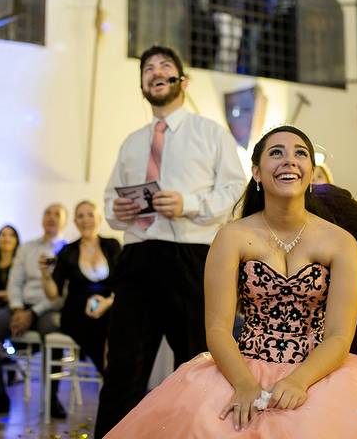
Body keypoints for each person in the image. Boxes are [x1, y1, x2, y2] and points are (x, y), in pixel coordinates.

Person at [103, 125, 357, 437]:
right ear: (257, 173)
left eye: (300, 153)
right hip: (242, 365)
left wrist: (299, 381)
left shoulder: (340, 242)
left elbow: (339, 335)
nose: (289, 159)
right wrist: (244, 384)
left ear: (310, 171)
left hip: (320, 371)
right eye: (276, 153)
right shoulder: (232, 236)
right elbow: (217, 328)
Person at [96, 45, 246, 436]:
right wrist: (118, 211)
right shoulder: (131, 142)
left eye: (165, 66)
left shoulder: (210, 133)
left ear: (183, 80)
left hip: (192, 257)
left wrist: (189, 202)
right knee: (124, 367)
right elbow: (110, 199)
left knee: (199, 361)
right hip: (138, 256)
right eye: (147, 68)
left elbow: (235, 189)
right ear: (143, 84)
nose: (155, 71)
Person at [0, 204, 68, 417]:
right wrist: (18, 308)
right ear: (41, 219)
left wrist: (34, 313)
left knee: (53, 333)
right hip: (21, 306)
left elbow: (62, 295)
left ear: (65, 221)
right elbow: (15, 281)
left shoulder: (68, 251)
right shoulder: (27, 248)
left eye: (57, 214)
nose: (51, 218)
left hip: (48, 309)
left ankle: (52, 398)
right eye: (47, 213)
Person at [40, 200, 121, 373]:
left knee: (115, 320)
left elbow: (124, 282)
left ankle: (113, 374)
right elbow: (53, 294)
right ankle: (109, 373)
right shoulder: (67, 251)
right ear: (75, 222)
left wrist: (108, 302)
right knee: (98, 324)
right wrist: (45, 274)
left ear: (99, 219)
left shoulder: (112, 246)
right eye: (80, 216)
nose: (85, 220)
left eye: (90, 215)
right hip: (77, 311)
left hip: (110, 306)